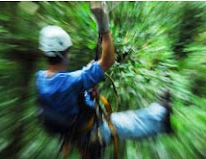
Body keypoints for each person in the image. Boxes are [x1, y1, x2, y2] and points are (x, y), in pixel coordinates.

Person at [36, 2, 173, 146]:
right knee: (124, 122)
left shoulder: (40, 78)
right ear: (65, 53)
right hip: (88, 132)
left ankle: (159, 115)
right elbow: (108, 60)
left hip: (72, 131)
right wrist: (105, 27)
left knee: (119, 121)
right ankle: (162, 119)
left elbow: (66, 91)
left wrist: (87, 86)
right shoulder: (73, 81)